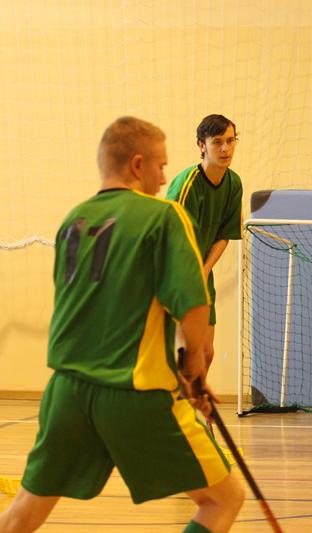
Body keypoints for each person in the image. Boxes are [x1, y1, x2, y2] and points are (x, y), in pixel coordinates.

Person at [0, 117, 244, 533]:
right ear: (137, 165)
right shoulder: (164, 216)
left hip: (65, 393)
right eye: (160, 167)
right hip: (133, 392)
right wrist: (193, 370)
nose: (164, 179)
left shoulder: (73, 220)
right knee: (225, 499)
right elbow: (193, 306)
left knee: (23, 514)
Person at [166, 114, 243, 377]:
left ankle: (193, 402)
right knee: (188, 351)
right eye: (217, 142)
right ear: (202, 145)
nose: (225, 148)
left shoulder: (234, 184)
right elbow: (171, 238)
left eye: (230, 141)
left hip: (201, 273)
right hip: (176, 272)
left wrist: (206, 269)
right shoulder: (187, 184)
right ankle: (180, 402)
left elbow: (225, 234)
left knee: (207, 353)